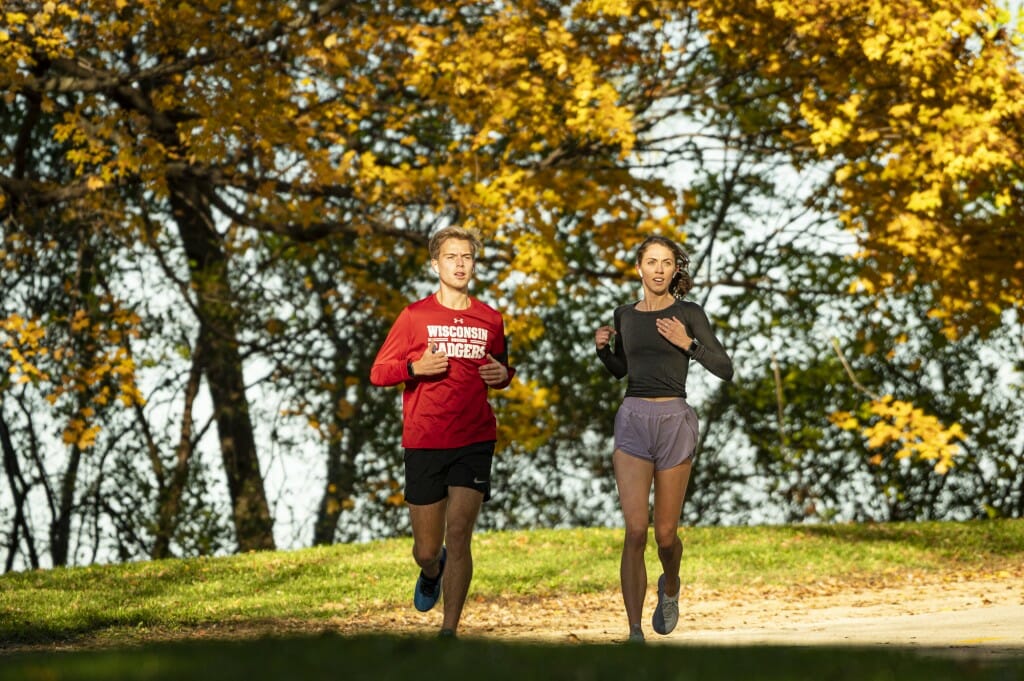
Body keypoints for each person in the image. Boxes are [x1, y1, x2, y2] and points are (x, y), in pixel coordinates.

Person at [370, 226, 515, 638]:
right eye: (451, 257)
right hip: (425, 440)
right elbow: (378, 372)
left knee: (460, 532)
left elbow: (499, 370)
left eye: (467, 257)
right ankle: (431, 571)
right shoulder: (414, 316)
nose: (460, 264)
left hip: (474, 438)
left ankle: (449, 632)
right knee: (428, 549)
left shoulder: (490, 318)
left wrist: (504, 375)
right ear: (435, 264)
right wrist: (414, 369)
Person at [594, 235, 733, 644]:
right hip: (634, 418)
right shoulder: (625, 315)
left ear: (675, 270)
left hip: (674, 419)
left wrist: (687, 344)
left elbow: (725, 368)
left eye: (666, 263)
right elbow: (621, 369)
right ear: (638, 268)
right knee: (635, 530)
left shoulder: (689, 313)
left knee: (665, 536)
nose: (658, 269)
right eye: (651, 262)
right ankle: (635, 631)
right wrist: (604, 350)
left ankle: (669, 585)